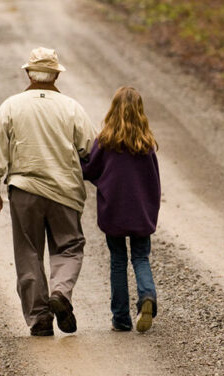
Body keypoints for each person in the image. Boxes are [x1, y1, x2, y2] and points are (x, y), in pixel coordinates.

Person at [0, 47, 98, 336]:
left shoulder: (11, 106)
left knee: (28, 253)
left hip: (24, 191)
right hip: (65, 193)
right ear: (57, 74)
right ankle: (60, 293)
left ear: (27, 73)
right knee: (69, 247)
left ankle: (39, 320)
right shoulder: (71, 107)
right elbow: (92, 150)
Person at [82, 87, 161, 332]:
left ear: (113, 110)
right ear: (140, 113)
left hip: (114, 211)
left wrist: (78, 157)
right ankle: (147, 296)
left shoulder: (105, 142)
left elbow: (90, 171)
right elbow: (154, 182)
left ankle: (121, 319)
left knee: (118, 260)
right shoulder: (146, 145)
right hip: (140, 212)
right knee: (140, 257)